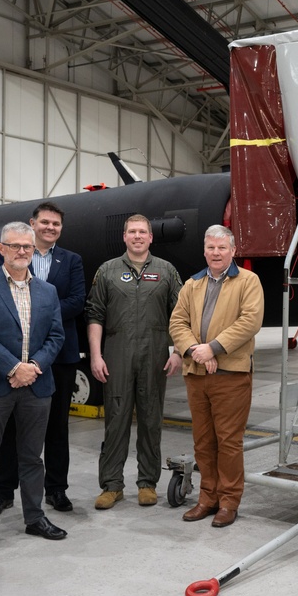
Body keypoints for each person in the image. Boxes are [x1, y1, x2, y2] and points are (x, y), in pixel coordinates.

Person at [0, 222, 66, 557]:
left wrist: (33, 368)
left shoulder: (47, 291)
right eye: (15, 246)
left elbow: (56, 337)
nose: (23, 251)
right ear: (1, 248)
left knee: (32, 458)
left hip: (37, 386)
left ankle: (35, 517)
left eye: (28, 246)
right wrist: (13, 368)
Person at [86, 214, 183, 510]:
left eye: (142, 231)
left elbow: (181, 316)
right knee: (115, 419)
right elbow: (95, 315)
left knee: (151, 419)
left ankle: (147, 483)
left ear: (151, 237)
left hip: (155, 353)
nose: (137, 236)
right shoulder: (107, 271)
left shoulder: (166, 271)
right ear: (125, 237)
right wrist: (96, 354)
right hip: (117, 352)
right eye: (132, 231)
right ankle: (112, 485)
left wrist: (178, 350)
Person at [0, 203, 85, 515]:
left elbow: (76, 300)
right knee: (10, 425)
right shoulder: (10, 254)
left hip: (59, 356)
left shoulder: (71, 260)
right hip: (16, 357)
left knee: (57, 427)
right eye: (44, 222)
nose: (50, 227)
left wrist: (39, 317)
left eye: (56, 224)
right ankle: (4, 490)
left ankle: (56, 489)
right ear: (33, 223)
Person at [169, 225, 263, 528]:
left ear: (233, 251)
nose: (216, 253)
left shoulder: (248, 281)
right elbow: (177, 322)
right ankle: (207, 497)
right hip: (196, 373)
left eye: (222, 247)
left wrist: (214, 349)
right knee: (203, 441)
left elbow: (250, 321)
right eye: (211, 247)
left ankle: (229, 501)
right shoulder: (192, 284)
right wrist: (195, 349)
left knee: (228, 442)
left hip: (231, 375)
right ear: (205, 251)